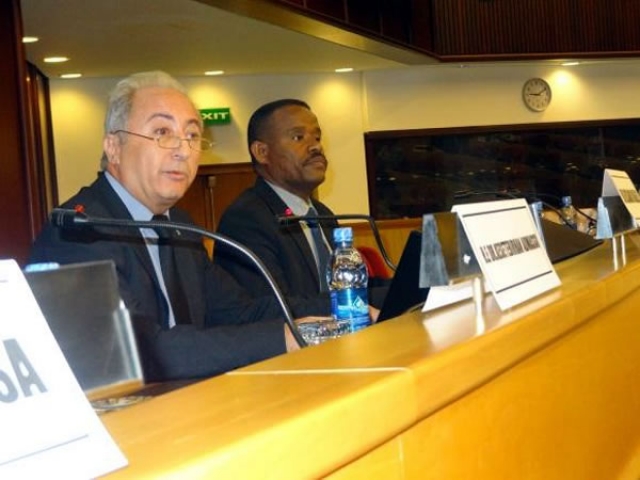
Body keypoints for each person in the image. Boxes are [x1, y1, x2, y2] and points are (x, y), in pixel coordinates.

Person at [29, 72, 328, 382]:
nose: (183, 150)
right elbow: (139, 352)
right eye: (162, 131)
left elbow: (239, 312)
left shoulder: (180, 225)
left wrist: (344, 311)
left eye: (192, 136)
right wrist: (284, 339)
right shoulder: (78, 230)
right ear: (114, 147)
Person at [215, 99, 338, 304]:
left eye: (317, 137)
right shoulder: (245, 220)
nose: (316, 146)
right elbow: (273, 307)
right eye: (298, 137)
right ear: (262, 152)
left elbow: (349, 285)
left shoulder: (323, 214)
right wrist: (353, 302)